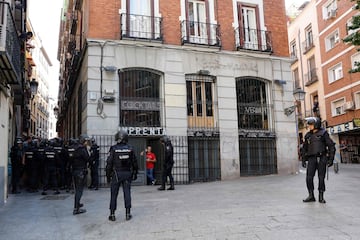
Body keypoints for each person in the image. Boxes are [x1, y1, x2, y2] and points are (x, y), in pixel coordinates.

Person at [106, 130, 138, 221]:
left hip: (116, 174)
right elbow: (134, 162)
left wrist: (108, 176)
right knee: (127, 193)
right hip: (127, 173)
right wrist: (135, 172)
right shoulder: (130, 148)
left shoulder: (113, 149)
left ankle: (112, 214)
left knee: (113, 194)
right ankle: (128, 213)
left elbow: (109, 164)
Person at [301, 117, 336, 204]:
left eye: (311, 124)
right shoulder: (308, 135)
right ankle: (311, 195)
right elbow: (304, 148)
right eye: (309, 124)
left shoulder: (324, 133)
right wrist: (303, 159)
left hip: (321, 158)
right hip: (311, 159)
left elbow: (331, 146)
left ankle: (321, 196)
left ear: (316, 124)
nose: (309, 126)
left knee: (321, 178)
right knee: (309, 178)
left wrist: (331, 159)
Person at [70, 134, 90, 215]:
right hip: (81, 171)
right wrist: (88, 151)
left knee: (77, 190)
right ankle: (76, 209)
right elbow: (88, 159)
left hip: (75, 171)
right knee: (79, 191)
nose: (87, 142)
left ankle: (77, 204)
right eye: (86, 141)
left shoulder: (74, 148)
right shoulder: (82, 149)